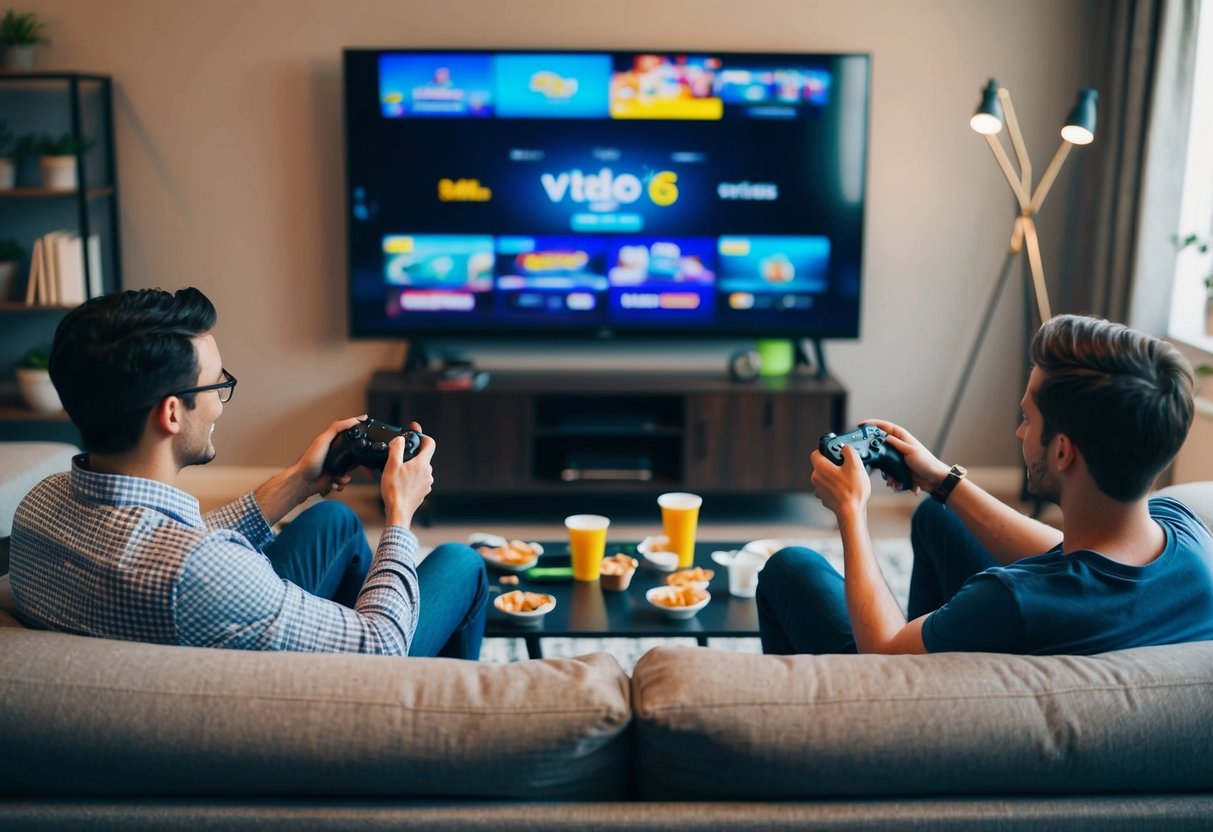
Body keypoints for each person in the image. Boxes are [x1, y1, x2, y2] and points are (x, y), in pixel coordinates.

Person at [9, 287, 488, 658]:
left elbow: (179, 543)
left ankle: (330, 630)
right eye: (217, 384)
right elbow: (381, 646)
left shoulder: (40, 506)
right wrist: (399, 513)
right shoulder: (206, 574)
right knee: (462, 563)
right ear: (172, 413)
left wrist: (302, 479)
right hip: (318, 699)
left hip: (185, 634)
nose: (220, 403)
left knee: (335, 521)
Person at [757, 313, 1213, 656]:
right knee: (939, 513)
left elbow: (885, 654)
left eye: (1027, 419)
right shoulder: (1189, 537)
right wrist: (943, 481)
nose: (1019, 433)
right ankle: (934, 638)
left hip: (903, 708)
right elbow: (1071, 555)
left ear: (1062, 451)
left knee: (790, 568)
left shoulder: (1012, 601)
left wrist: (851, 511)